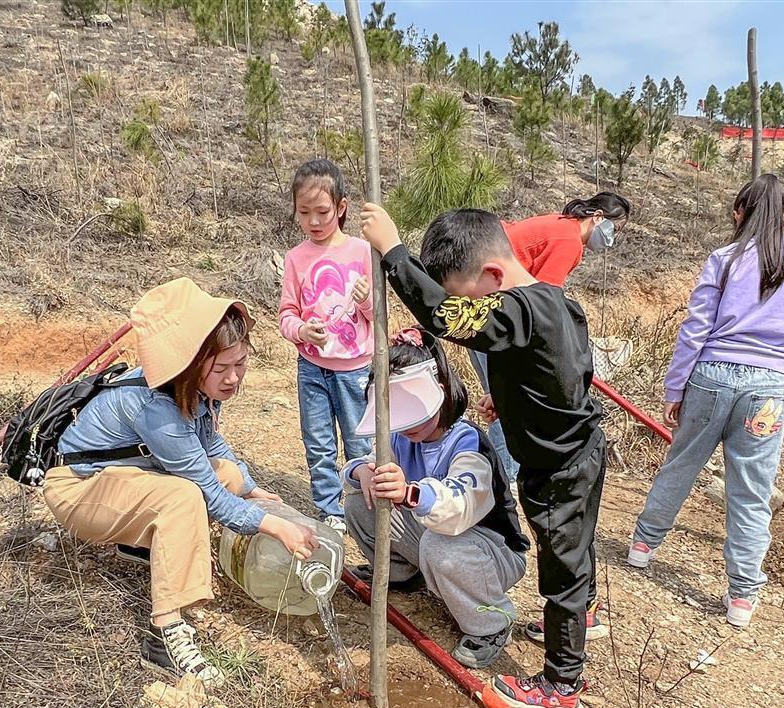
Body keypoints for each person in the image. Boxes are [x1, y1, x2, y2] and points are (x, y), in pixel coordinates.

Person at [361, 203, 605, 708]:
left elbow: (445, 319)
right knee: (572, 550)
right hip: (571, 453)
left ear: (493, 276)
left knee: (561, 566)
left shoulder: (518, 308)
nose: (467, 310)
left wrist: (393, 252)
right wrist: (514, 403)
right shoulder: (556, 304)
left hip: (561, 467)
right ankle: (582, 613)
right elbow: (572, 371)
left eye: (467, 296)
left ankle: (562, 686)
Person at [43, 278, 319, 681]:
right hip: (78, 489)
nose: (233, 378)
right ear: (190, 366)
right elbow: (206, 494)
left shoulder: (191, 392)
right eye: (221, 369)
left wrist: (252, 487)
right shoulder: (157, 408)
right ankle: (164, 634)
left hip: (122, 481)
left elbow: (214, 448)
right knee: (183, 497)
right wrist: (275, 525)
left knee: (226, 475)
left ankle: (149, 547)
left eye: (240, 364)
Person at [627, 175, 784, 628]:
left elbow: (695, 328)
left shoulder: (724, 259)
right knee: (751, 491)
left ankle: (643, 546)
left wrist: (676, 386)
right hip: (768, 391)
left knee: (682, 463)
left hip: (712, 377)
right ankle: (742, 596)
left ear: (738, 213)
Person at [343, 327, 530, 669]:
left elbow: (459, 506)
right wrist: (362, 472)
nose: (406, 424)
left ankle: (490, 623)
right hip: (433, 538)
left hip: (489, 550)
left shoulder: (467, 440)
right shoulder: (401, 438)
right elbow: (362, 464)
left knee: (438, 543)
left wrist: (411, 493)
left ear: (439, 392)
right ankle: (402, 574)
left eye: (412, 409)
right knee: (359, 502)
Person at [471, 192, 632, 485]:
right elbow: (543, 304)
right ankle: (503, 478)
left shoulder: (558, 226)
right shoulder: (568, 239)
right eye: (614, 229)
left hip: (486, 313)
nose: (612, 239)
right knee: (506, 403)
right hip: (499, 319)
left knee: (500, 398)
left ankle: (499, 475)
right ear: (597, 217)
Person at [279, 159, 375, 537]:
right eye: (305, 213)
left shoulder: (363, 252)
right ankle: (329, 509)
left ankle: (361, 509)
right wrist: (303, 330)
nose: (314, 221)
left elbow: (377, 316)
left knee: (359, 441)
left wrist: (367, 302)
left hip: (355, 369)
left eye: (322, 212)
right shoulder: (295, 258)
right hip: (312, 369)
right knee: (318, 442)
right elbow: (286, 314)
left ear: (341, 207)